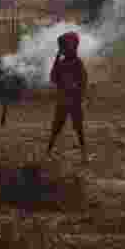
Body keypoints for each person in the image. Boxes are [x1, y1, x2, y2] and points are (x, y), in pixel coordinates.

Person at [46, 31, 88, 162]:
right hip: (64, 100)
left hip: (72, 100)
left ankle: (83, 154)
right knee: (56, 128)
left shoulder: (77, 63)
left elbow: (83, 81)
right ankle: (48, 152)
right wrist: (56, 60)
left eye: (63, 47)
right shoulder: (63, 63)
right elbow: (53, 78)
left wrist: (76, 91)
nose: (62, 50)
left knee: (78, 128)